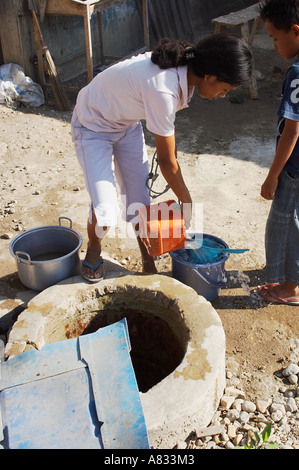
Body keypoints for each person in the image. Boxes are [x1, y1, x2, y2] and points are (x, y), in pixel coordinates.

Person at [71, 34, 253, 282]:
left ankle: (148, 260)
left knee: (139, 201)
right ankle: (94, 248)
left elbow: (169, 151)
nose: (222, 96)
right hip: (92, 125)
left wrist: (182, 196)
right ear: (210, 76)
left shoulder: (187, 68)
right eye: (224, 90)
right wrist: (186, 202)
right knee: (106, 211)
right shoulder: (163, 88)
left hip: (126, 124)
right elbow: (167, 162)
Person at [257, 0, 299, 305]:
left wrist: (272, 177)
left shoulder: (296, 73)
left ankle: (290, 287)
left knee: (285, 222)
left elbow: (292, 131)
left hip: (294, 168)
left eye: (275, 37)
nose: (273, 45)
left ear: (295, 32)